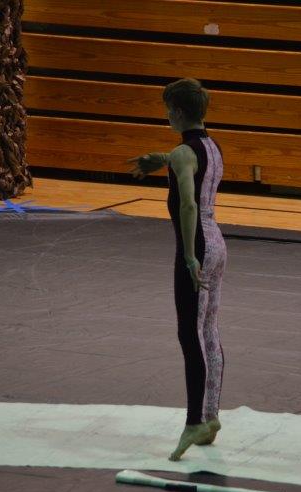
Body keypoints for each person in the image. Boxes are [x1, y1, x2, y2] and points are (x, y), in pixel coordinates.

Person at [127, 78, 226, 461]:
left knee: (190, 333)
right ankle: (210, 416)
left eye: (168, 109)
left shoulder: (184, 152)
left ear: (179, 112)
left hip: (197, 245)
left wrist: (188, 255)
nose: (166, 115)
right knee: (208, 331)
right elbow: (190, 161)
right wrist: (164, 159)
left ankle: (194, 421)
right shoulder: (212, 146)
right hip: (217, 242)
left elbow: (187, 203)